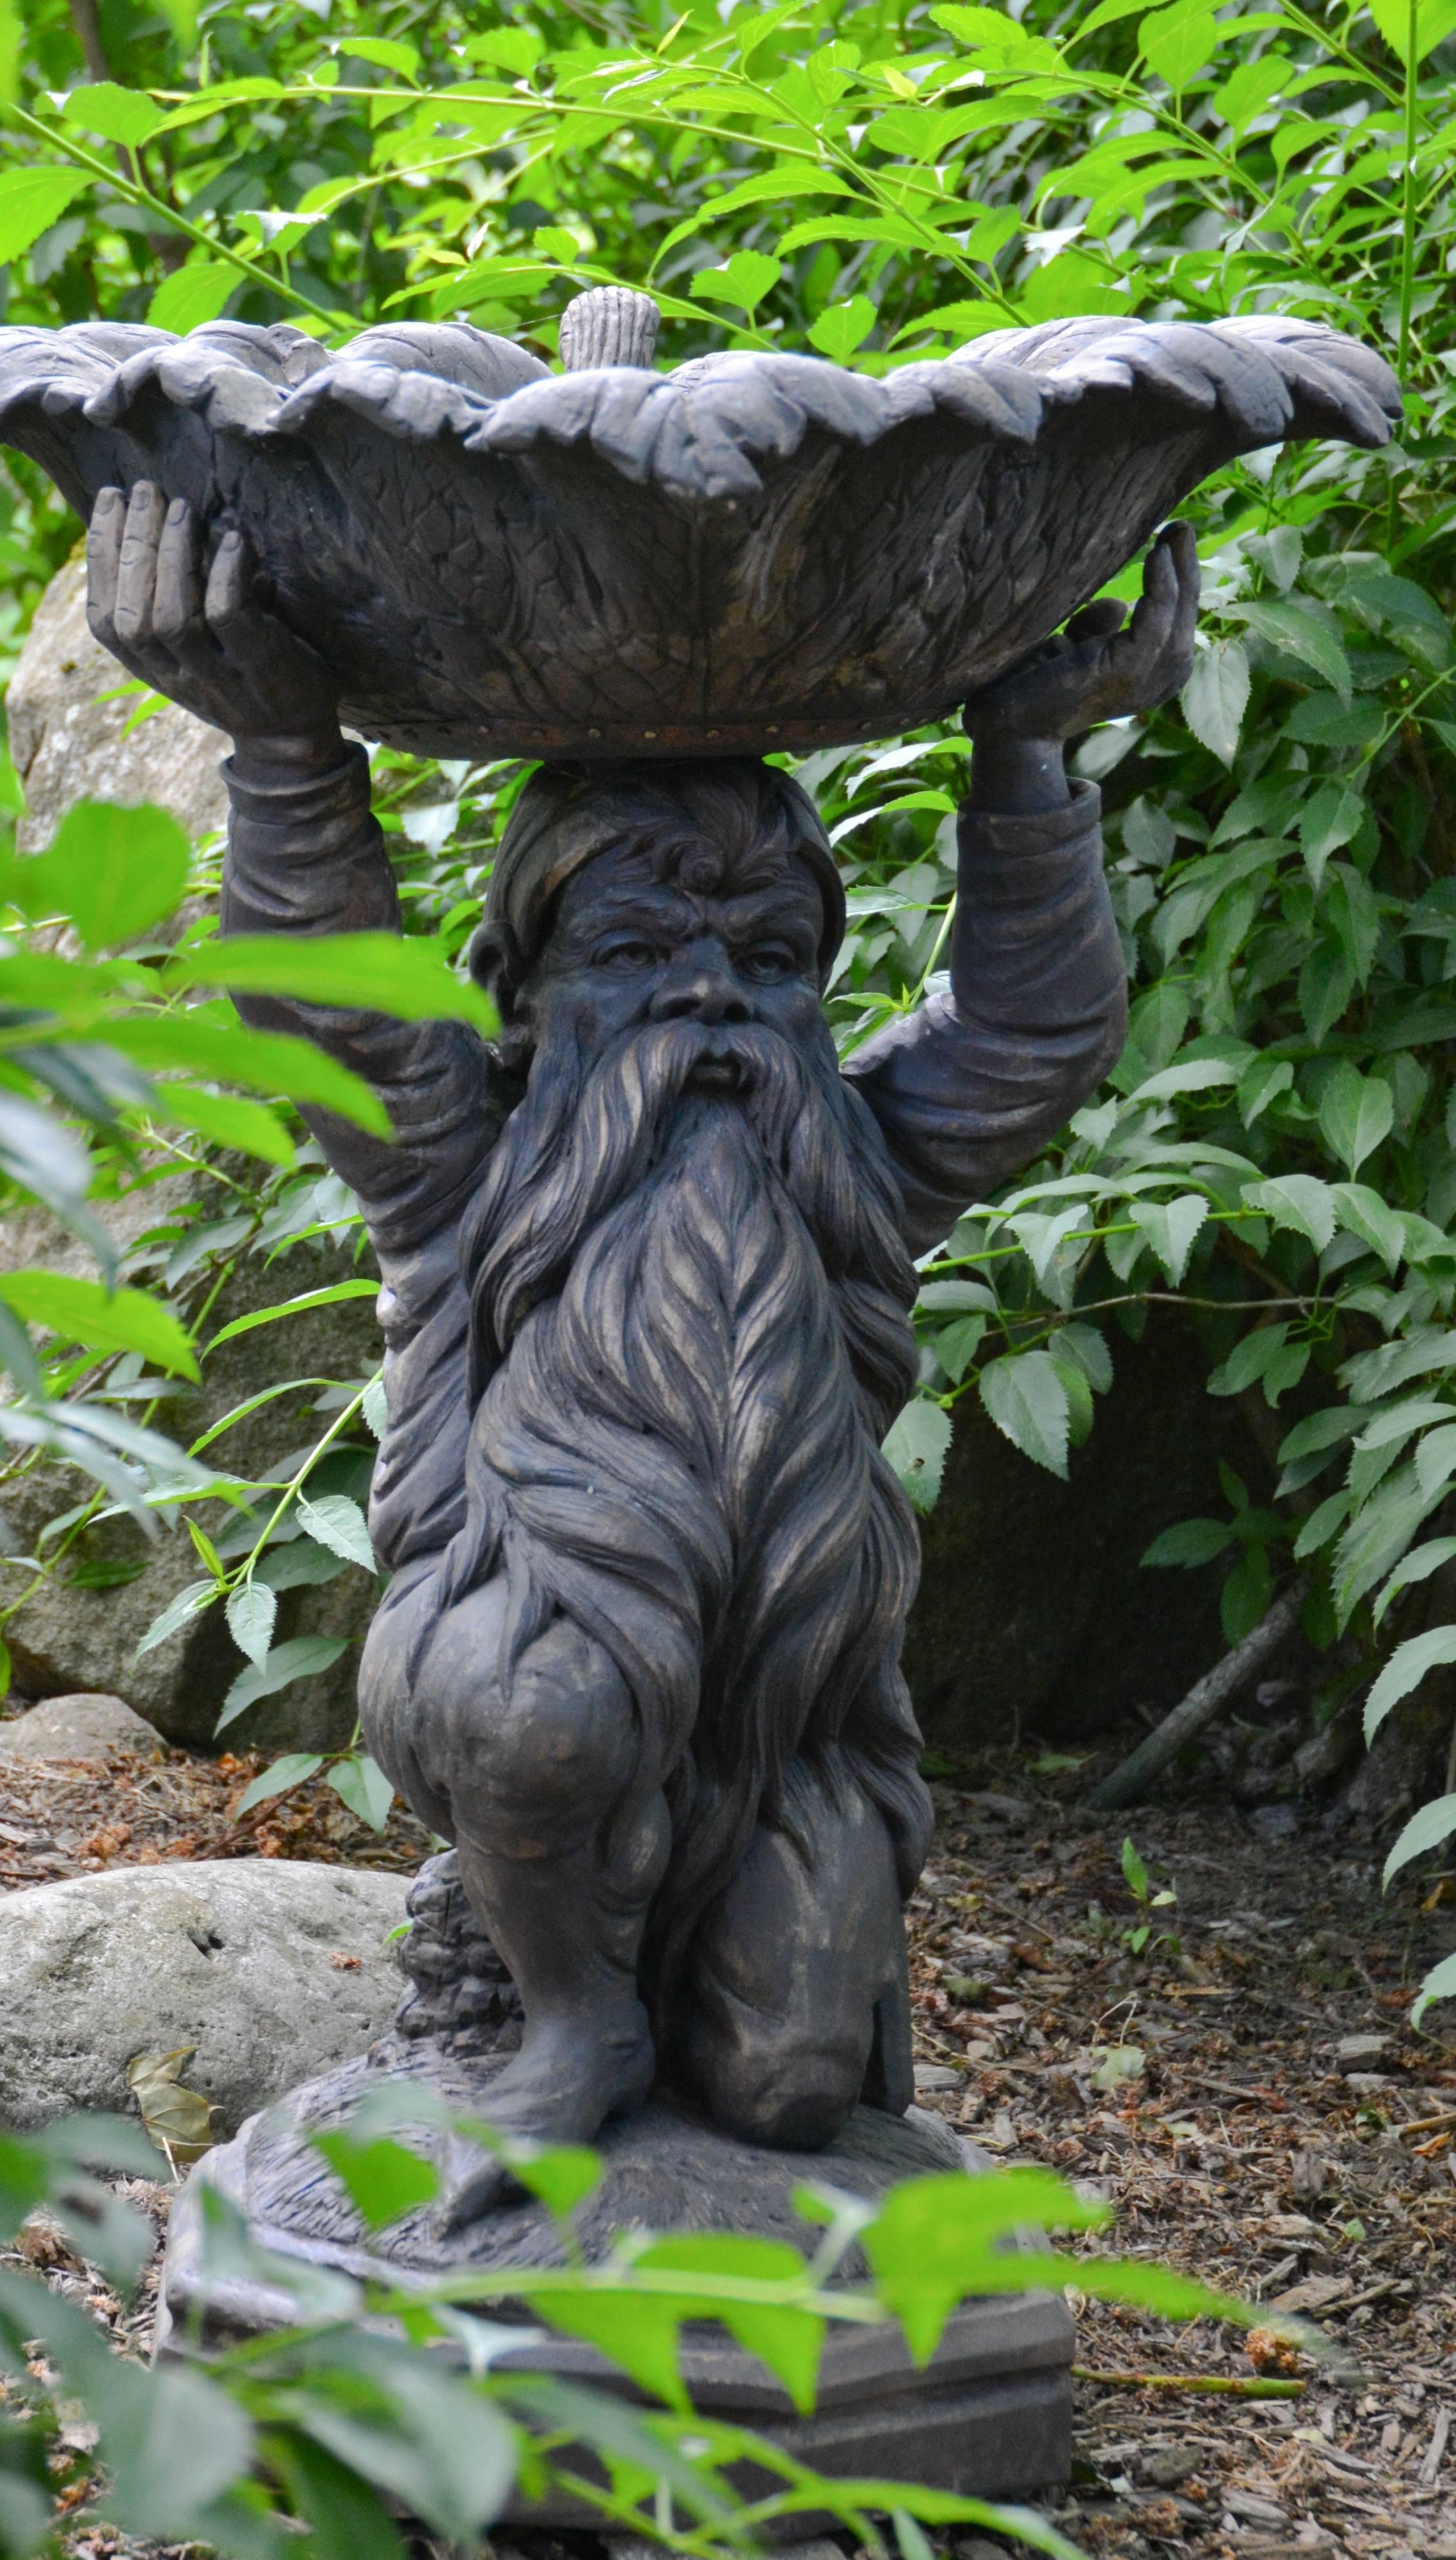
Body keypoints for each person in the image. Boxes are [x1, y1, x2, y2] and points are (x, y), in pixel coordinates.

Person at [85, 481, 1198, 2224]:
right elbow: (327, 997)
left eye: (769, 963)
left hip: (787, 1723)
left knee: (791, 2090)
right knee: (540, 1720)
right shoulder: (471, 1164)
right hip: (527, 1656)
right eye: (635, 952)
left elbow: (1033, 1031)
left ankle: (703, 2002)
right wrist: (286, 749)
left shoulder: (850, 1164)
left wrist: (1030, 764)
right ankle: (567, 2018)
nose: (709, 1002)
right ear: (520, 996)